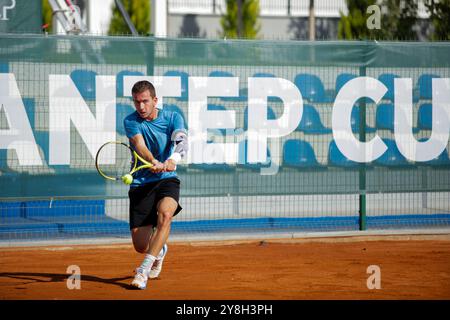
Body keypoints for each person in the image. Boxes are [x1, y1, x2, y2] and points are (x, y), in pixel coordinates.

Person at [123, 80, 188, 290]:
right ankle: (158, 251)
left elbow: (182, 142)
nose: (141, 107)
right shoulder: (130, 121)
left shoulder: (172, 117)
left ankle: (143, 271)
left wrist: (172, 161)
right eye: (136, 102)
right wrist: (152, 160)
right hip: (141, 183)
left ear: (155, 100)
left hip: (167, 180)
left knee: (165, 215)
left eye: (145, 101)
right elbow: (140, 145)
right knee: (140, 245)